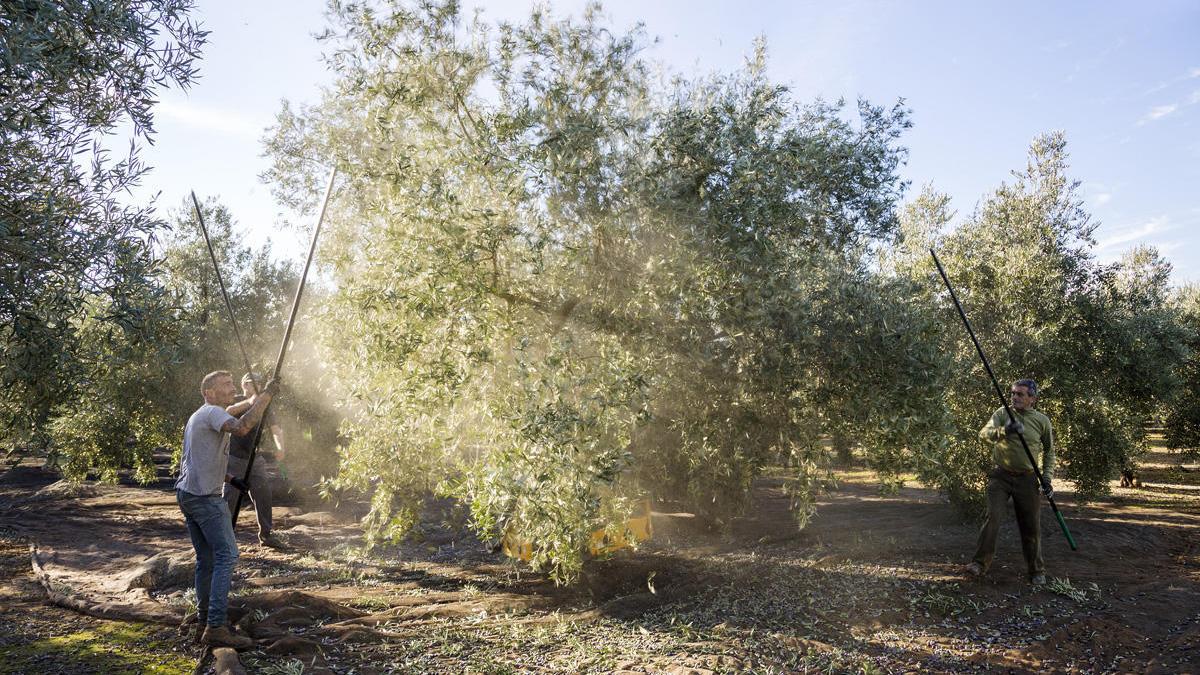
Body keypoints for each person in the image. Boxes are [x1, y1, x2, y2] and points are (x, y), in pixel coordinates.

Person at [176, 370, 278, 648]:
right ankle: (217, 626)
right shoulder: (212, 412)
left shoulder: (201, 415)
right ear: (208, 392)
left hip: (188, 494)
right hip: (205, 499)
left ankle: (203, 621)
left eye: (233, 383)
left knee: (206, 560)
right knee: (227, 556)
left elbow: (201, 460)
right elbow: (243, 427)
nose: (232, 388)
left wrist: (232, 479)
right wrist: (266, 396)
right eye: (226, 385)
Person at [965, 378, 1055, 585]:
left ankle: (1036, 571)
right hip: (1001, 476)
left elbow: (1050, 452)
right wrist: (1006, 431)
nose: (1014, 397)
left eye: (1020, 394)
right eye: (1013, 393)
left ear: (1033, 398)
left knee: (1031, 526)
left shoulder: (1042, 421)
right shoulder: (1002, 413)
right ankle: (979, 563)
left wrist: (1047, 478)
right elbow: (983, 436)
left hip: (1028, 479)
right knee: (993, 518)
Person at [224, 372, 287, 549]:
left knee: (264, 494)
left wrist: (281, 447)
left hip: (255, 458)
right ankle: (224, 537)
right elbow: (228, 412)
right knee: (230, 498)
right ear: (244, 385)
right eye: (252, 383)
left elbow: (276, 429)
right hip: (234, 458)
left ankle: (266, 535)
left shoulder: (265, 406)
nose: (256, 385)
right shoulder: (235, 400)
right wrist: (251, 402)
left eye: (259, 383)